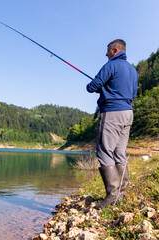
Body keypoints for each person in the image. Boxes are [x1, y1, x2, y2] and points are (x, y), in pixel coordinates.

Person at [86, 39, 138, 209]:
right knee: (119, 152)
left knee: (104, 151)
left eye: (108, 50)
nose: (106, 54)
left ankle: (112, 195)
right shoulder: (133, 70)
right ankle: (121, 191)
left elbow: (93, 86)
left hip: (112, 113)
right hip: (128, 113)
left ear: (115, 50)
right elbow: (132, 94)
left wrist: (94, 86)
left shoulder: (111, 65)